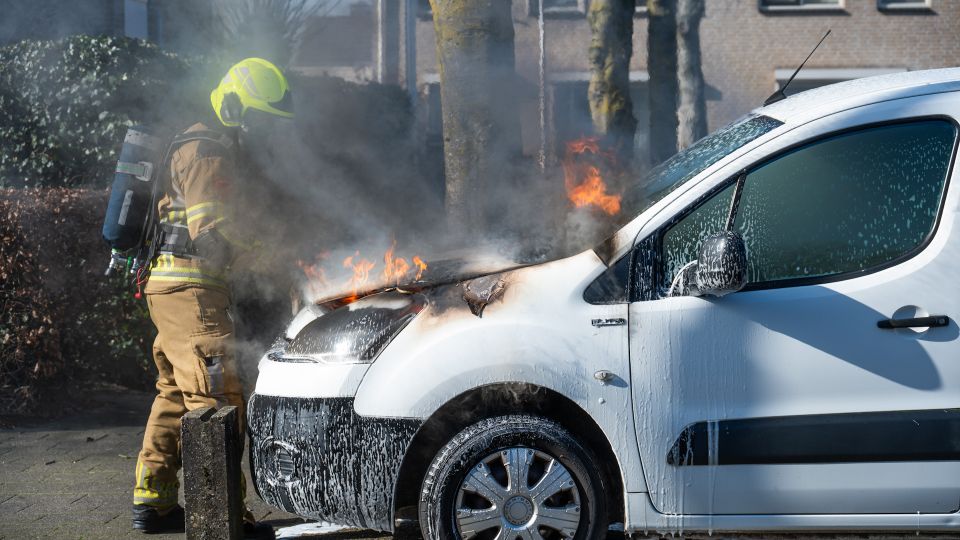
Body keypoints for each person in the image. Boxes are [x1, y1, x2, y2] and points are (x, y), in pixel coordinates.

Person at [130, 58, 293, 538]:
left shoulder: (199, 142)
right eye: (260, 117)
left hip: (168, 286)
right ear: (236, 104)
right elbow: (213, 240)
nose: (262, 129)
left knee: (175, 394)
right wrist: (267, 253)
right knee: (215, 399)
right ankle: (223, 519)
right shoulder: (208, 152)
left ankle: (153, 500)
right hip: (194, 290)